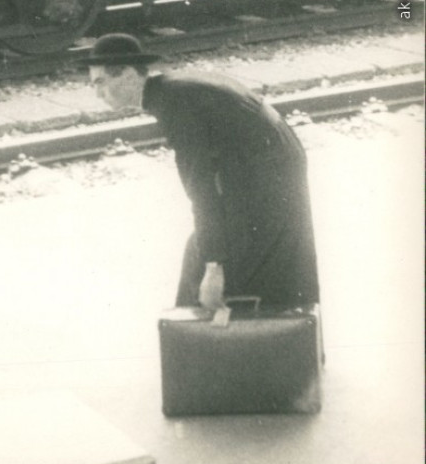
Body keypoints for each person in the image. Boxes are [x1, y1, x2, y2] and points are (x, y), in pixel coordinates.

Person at [87, 33, 320, 312]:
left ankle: (212, 341)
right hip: (271, 162)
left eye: (101, 82)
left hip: (268, 171)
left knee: (221, 266)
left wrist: (214, 267)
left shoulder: (174, 104)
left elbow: (200, 187)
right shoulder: (170, 90)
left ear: (126, 74)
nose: (97, 94)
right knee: (215, 253)